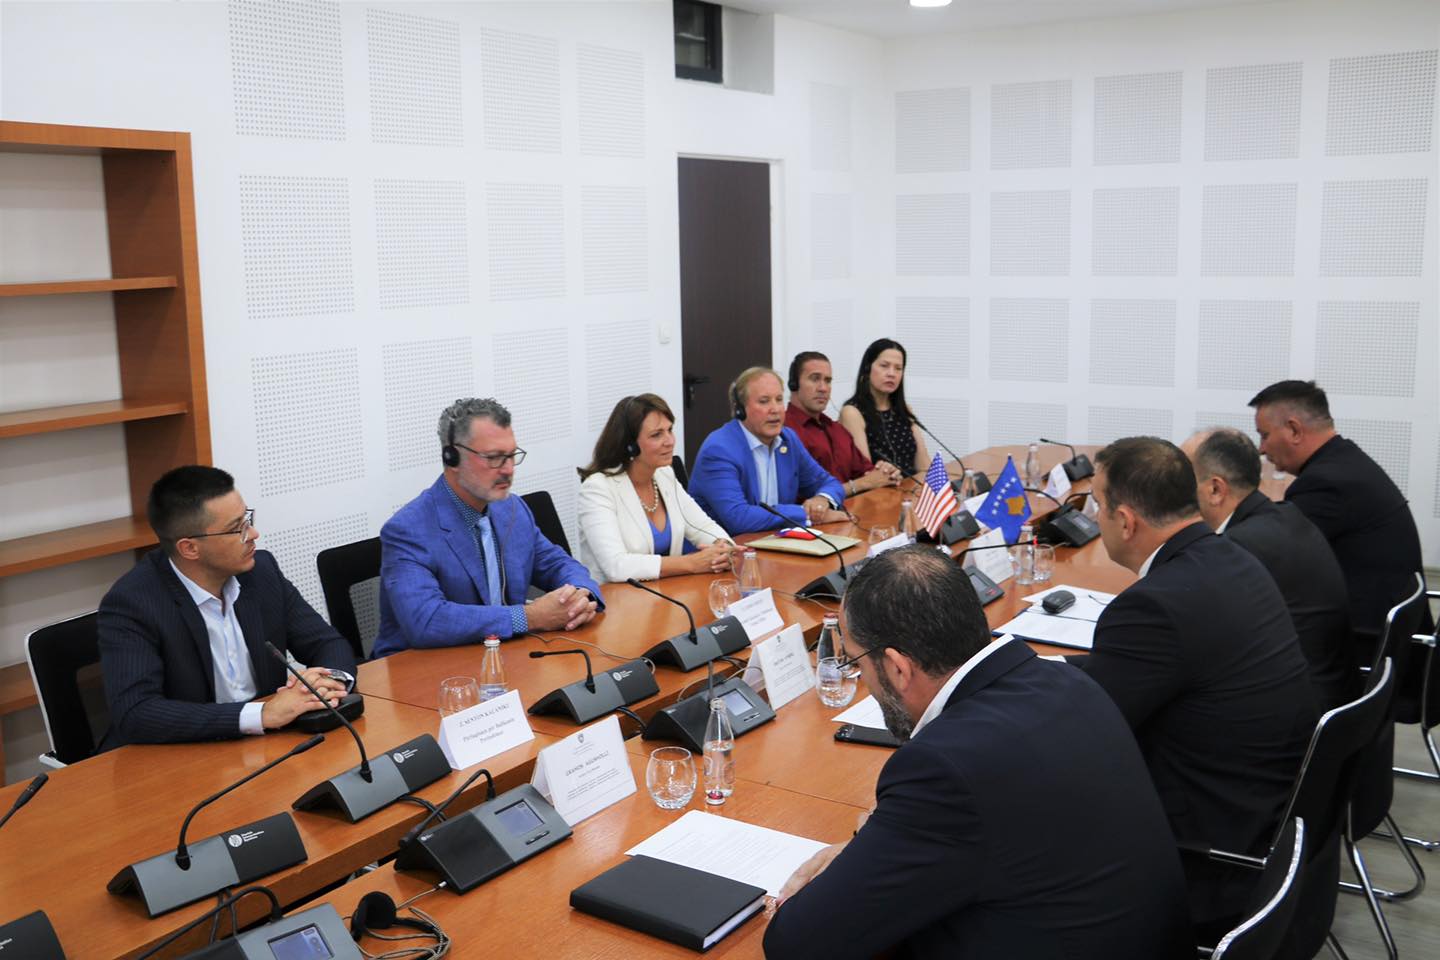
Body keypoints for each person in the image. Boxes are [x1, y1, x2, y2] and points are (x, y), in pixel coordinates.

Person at [765, 546, 1192, 960]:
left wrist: (862, 859)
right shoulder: (1067, 682)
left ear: (897, 667)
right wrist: (880, 842)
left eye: (856, 660)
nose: (862, 680)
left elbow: (798, 943)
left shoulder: (945, 770)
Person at [1073, 437, 1316, 937]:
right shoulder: (1231, 558)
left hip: (1201, 855)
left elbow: (1079, 735)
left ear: (1125, 520)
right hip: (1260, 816)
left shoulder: (1152, 606)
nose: (1093, 517)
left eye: (1097, 504)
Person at [98, 466, 356, 748]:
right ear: (190, 549)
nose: (254, 533)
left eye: (248, 519)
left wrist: (329, 684)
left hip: (268, 746)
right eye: (237, 529)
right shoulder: (133, 603)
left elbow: (327, 643)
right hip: (184, 757)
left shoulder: (261, 572)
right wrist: (262, 714)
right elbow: (137, 713)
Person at [373, 398, 603, 657]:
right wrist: (529, 617)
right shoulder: (408, 530)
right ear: (452, 457)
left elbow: (559, 564)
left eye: (511, 455)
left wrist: (582, 597)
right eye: (494, 458)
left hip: (503, 658)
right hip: (423, 672)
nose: (507, 470)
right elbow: (427, 620)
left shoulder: (512, 509)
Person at [1183, 427, 1356, 710]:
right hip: (1331, 695)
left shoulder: (1239, 549)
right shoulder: (1285, 515)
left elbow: (1194, 644)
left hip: (1295, 715)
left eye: (1181, 479)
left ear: (1215, 489)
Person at [1249, 379, 1425, 651]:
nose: (1261, 449)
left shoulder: (1324, 484)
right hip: (1394, 638)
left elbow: (1262, 559)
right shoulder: (1346, 461)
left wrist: (1258, 500)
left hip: (1362, 645)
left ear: (1294, 430)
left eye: (1264, 435)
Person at [576, 393, 738, 583]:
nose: (669, 441)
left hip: (667, 594)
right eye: (657, 435)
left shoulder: (664, 475)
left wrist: (723, 548)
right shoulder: (597, 489)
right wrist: (692, 563)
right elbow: (616, 566)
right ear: (630, 446)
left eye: (670, 430)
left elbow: (704, 526)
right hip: (617, 602)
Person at [688, 367, 848, 535]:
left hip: (773, 542)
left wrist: (822, 500)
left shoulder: (788, 439)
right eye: (764, 401)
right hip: (723, 551)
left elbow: (829, 483)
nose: (775, 409)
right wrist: (806, 513)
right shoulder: (719, 449)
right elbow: (739, 518)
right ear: (740, 409)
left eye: (779, 400)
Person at [784, 350, 901, 495]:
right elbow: (805, 495)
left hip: (857, 513)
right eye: (815, 379)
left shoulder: (837, 430)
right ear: (793, 384)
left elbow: (867, 473)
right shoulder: (783, 431)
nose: (823, 388)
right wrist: (862, 484)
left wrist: (885, 473)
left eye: (827, 381)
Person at [838, 338, 932, 477]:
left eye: (898, 368)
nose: (891, 373)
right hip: (879, 493)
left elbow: (924, 467)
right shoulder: (852, 412)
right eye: (884, 366)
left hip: (911, 490)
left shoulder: (904, 410)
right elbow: (866, 473)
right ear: (867, 368)